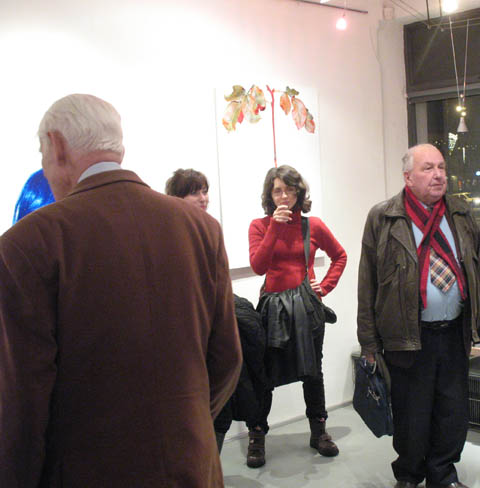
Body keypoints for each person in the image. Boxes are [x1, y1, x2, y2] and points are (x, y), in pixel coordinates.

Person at [0, 94, 242, 488]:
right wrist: (184, 424)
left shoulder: (27, 244)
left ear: (57, 146)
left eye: (42, 154)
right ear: (119, 148)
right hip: (192, 466)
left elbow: (23, 402)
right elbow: (227, 358)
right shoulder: (201, 228)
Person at [358, 143, 480, 488]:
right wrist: (368, 342)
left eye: (442, 168)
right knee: (411, 413)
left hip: (454, 333)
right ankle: (408, 474)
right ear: (408, 177)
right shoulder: (383, 217)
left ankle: (443, 474)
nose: (438, 175)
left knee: (452, 411)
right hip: (407, 335)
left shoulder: (460, 214)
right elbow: (367, 282)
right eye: (428, 168)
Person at [247, 164, 347, 467]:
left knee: (312, 371)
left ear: (299, 193)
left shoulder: (312, 225)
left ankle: (319, 432)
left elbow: (340, 255)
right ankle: (257, 436)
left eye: (290, 190)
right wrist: (275, 228)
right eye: (278, 190)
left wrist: (324, 287)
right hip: (273, 309)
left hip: (306, 308)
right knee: (265, 374)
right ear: (269, 195)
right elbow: (258, 266)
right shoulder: (259, 226)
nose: (284, 196)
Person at [166, 169, 268, 455]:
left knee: (221, 407)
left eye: (205, 191)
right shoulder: (167, 233)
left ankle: (210, 468)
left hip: (212, 328)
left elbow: (218, 281)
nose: (203, 198)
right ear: (175, 197)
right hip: (185, 333)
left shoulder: (210, 228)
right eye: (194, 192)